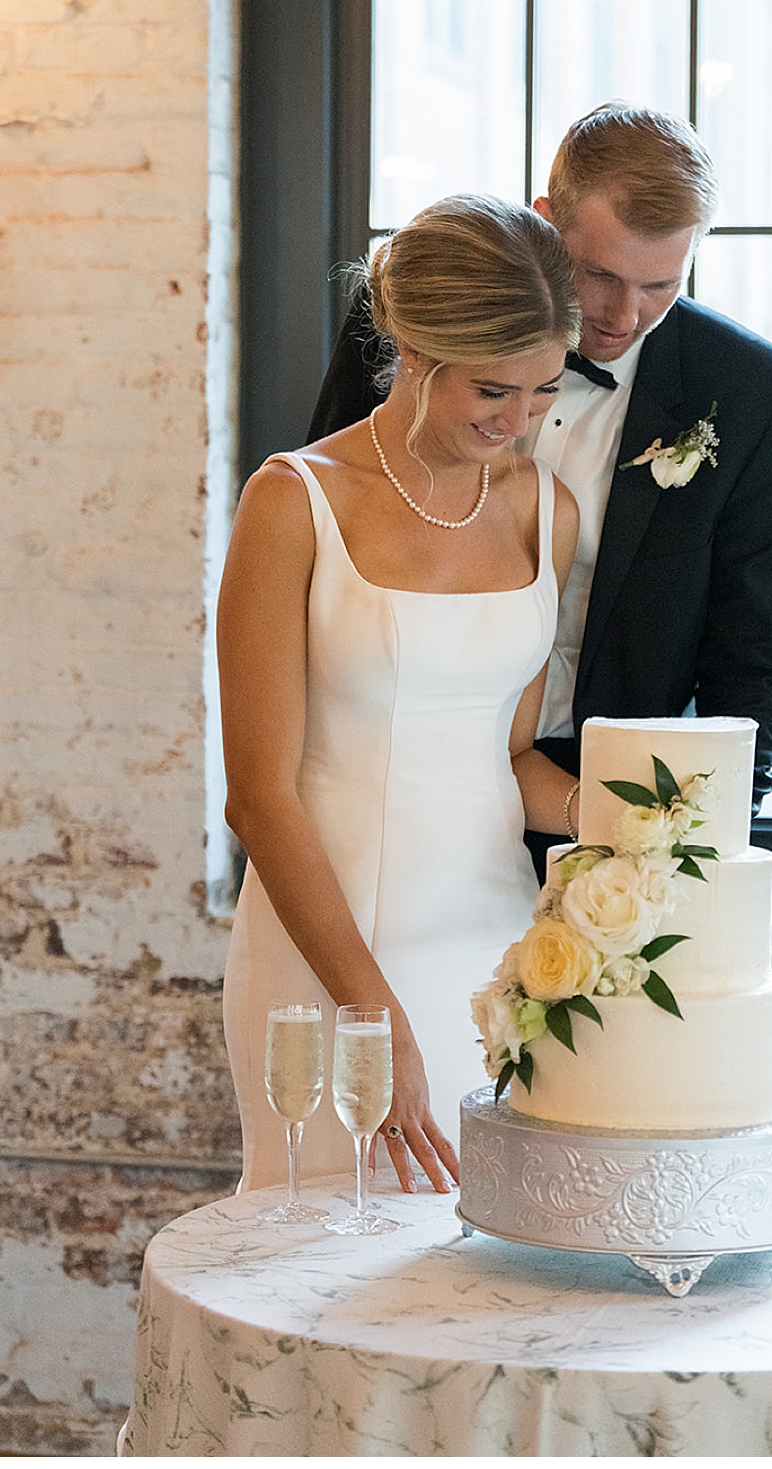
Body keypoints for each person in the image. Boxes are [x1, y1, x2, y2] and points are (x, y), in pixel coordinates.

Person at [308, 103, 772, 870]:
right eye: (601, 274)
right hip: (388, 778)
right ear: (547, 221)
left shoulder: (754, 396)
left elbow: (757, 664)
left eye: (660, 285)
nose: (623, 314)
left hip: (605, 807)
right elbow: (325, 543)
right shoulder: (423, 320)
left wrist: (691, 846)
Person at [219, 194, 582, 1196]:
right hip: (330, 959)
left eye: (546, 391)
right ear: (414, 349)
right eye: (492, 391)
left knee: (494, 1283)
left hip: (495, 964)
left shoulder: (546, 511)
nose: (518, 424)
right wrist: (372, 1017)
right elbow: (258, 796)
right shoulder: (294, 500)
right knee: (326, 1271)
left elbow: (505, 759)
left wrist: (620, 813)